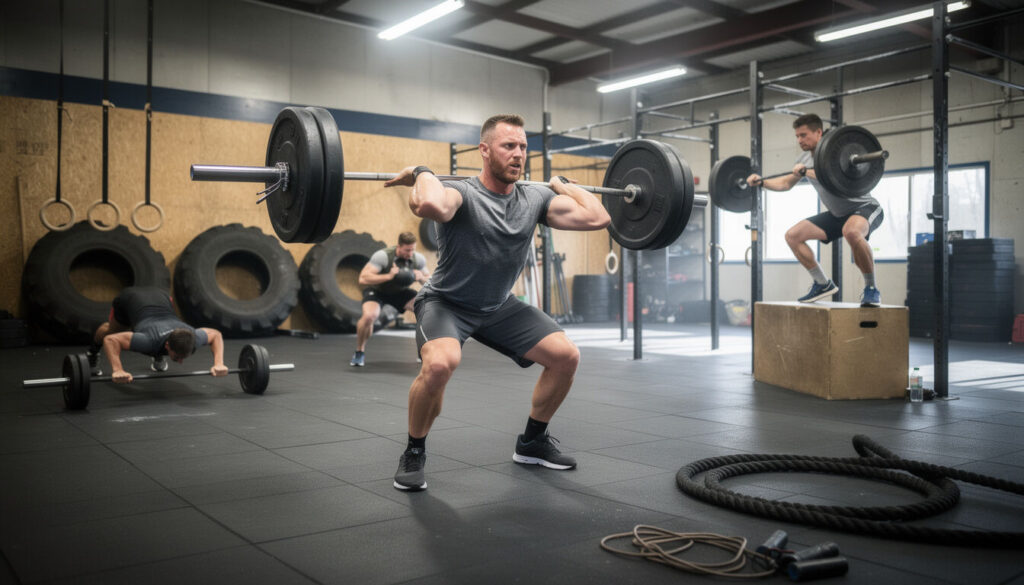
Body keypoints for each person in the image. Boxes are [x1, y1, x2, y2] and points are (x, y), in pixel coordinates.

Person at [381, 113, 611, 491]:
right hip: (447, 302)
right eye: (509, 146)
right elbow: (428, 206)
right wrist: (423, 171)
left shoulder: (535, 198)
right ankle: (414, 450)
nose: (518, 154)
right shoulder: (463, 192)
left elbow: (598, 216)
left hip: (498, 306)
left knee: (566, 357)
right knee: (441, 364)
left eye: (523, 147)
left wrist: (562, 184)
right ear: (485, 151)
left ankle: (532, 442)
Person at [746, 113, 884, 307]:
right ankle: (822, 283)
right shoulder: (804, 159)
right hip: (838, 215)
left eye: (804, 135)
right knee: (793, 236)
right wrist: (761, 182)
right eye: (797, 136)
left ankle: (871, 288)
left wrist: (806, 171)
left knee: (851, 232)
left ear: (818, 132)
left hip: (865, 207)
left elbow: (831, 175)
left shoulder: (836, 151)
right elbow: (786, 183)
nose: (800, 140)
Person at [87, 286, 227, 383]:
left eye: (183, 357)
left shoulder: (193, 338)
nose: (180, 362)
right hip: (130, 299)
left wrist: (219, 364)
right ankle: (92, 354)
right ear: (167, 345)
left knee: (156, 344)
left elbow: (216, 335)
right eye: (177, 357)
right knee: (111, 331)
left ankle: (158, 354)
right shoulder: (147, 341)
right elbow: (110, 340)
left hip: (161, 296)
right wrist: (118, 370)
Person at [350, 231, 430, 367]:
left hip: (401, 292)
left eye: (412, 250)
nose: (410, 253)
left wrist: (421, 277)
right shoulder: (383, 256)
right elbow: (363, 278)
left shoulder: (418, 259)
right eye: (407, 250)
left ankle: (421, 351)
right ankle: (359, 352)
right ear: (398, 247)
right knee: (370, 316)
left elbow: (431, 282)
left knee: (426, 311)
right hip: (378, 291)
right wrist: (388, 276)